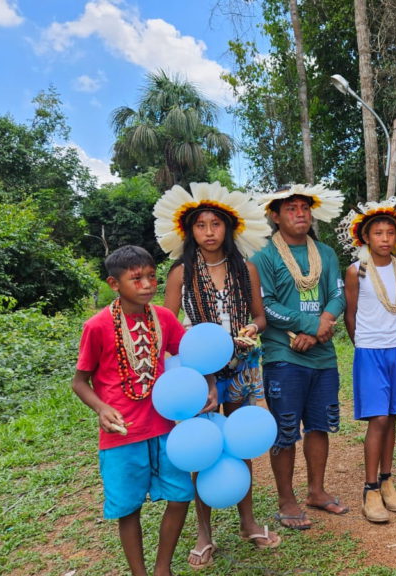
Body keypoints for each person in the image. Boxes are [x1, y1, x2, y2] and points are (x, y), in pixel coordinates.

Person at [152, 181, 280, 569]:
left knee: (240, 443)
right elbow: (170, 329)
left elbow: (260, 316)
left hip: (241, 367)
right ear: (189, 231)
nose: (209, 232)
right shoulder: (181, 273)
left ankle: (247, 522)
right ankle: (204, 534)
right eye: (201, 225)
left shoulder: (246, 269)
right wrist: (201, 370)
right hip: (197, 376)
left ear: (229, 227)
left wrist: (251, 331)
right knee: (201, 447)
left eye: (215, 224)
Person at [71, 245, 217, 576]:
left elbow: (192, 354)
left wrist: (209, 382)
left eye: (152, 276)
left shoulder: (164, 318)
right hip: (122, 435)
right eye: (136, 279)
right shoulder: (97, 326)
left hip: (166, 428)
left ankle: (162, 567)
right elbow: (79, 382)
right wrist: (102, 408)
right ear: (114, 283)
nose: (148, 285)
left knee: (181, 496)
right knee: (129, 508)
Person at [252, 183, 347, 530]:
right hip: (283, 355)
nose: (300, 214)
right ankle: (286, 498)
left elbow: (337, 294)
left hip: (322, 356)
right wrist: (311, 324)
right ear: (275, 216)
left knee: (320, 425)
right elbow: (265, 305)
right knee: (285, 429)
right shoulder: (263, 257)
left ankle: (316, 491)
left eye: (304, 208)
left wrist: (323, 324)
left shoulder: (325, 252)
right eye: (291, 208)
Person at [337, 199, 396, 523]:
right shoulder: (356, 270)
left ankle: (387, 480)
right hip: (370, 352)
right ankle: (369, 488)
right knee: (378, 420)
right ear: (365, 237)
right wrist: (363, 344)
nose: (384, 238)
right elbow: (351, 313)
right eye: (377, 233)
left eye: (390, 232)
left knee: (393, 416)